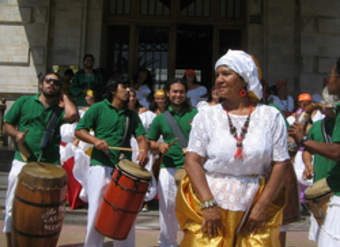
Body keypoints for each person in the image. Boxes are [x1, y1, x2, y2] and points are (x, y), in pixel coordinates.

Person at [176, 50, 290, 246]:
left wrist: (262, 206)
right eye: (217, 74)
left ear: (244, 79)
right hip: (209, 204)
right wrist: (208, 204)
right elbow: (192, 160)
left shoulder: (270, 116)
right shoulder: (207, 116)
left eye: (226, 74)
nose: (219, 80)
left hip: (254, 204)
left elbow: (281, 163)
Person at [2, 72, 78, 247]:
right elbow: (7, 124)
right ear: (40, 84)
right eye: (48, 81)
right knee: (13, 208)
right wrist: (17, 134)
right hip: (23, 161)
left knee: (47, 212)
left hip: (49, 165)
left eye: (56, 83)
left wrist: (64, 94)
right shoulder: (24, 102)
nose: (51, 84)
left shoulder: (59, 111)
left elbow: (73, 114)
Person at [75, 79, 149, 247]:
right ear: (113, 91)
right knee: (96, 210)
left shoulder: (131, 115)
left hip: (124, 170)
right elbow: (79, 130)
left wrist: (143, 150)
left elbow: (141, 137)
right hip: (100, 166)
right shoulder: (98, 108)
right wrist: (95, 141)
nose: (128, 90)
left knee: (125, 212)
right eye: (124, 87)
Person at [289, 57, 340, 247]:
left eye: (333, 75)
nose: (329, 80)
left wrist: (303, 139)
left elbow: (337, 151)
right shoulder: (318, 126)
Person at [147, 79, 198, 247]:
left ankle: (192, 243)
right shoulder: (160, 119)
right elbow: (149, 142)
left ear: (186, 94)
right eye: (174, 92)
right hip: (167, 168)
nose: (178, 95)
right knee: (167, 209)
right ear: (168, 94)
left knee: (193, 209)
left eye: (181, 92)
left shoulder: (196, 114)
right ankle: (167, 243)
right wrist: (159, 145)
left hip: (192, 168)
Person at [301, 93, 338, 243]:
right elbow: (307, 150)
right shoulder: (317, 126)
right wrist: (308, 164)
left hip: (336, 189)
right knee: (322, 238)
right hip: (321, 187)